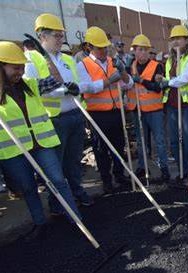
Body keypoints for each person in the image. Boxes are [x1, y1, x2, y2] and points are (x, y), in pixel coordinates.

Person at [0, 41, 81, 238]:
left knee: (58, 180)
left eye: (21, 67)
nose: (20, 72)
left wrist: (45, 56)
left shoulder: (30, 85)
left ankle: (75, 219)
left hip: (42, 144)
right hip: (14, 150)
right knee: (28, 188)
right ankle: (40, 224)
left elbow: (54, 80)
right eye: (15, 68)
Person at [25, 13, 94, 209]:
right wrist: (64, 90)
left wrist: (76, 88)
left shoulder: (67, 59)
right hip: (54, 120)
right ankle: (58, 203)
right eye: (57, 35)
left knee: (73, 161)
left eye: (62, 35)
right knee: (57, 164)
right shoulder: (32, 59)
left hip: (75, 114)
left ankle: (77, 192)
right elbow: (34, 90)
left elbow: (79, 84)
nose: (61, 39)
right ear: (42, 36)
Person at [77, 26, 134, 194]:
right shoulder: (83, 66)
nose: (103, 50)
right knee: (100, 149)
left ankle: (120, 175)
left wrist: (122, 71)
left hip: (116, 112)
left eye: (105, 47)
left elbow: (129, 83)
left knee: (119, 146)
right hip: (97, 115)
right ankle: (106, 180)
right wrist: (109, 81)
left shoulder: (113, 62)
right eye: (99, 47)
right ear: (89, 47)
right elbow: (86, 87)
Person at [128, 34, 170, 182]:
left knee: (159, 140)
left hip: (154, 110)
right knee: (141, 141)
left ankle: (164, 168)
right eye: (140, 50)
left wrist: (141, 80)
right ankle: (142, 166)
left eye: (145, 50)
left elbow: (157, 88)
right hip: (137, 109)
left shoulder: (156, 66)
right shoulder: (130, 66)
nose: (143, 53)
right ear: (134, 51)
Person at [160, 25, 188, 182]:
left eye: (179, 38)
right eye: (173, 39)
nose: (175, 42)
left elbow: (186, 78)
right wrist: (162, 81)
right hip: (172, 105)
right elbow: (168, 80)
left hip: (187, 105)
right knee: (175, 142)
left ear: (186, 40)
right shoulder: (170, 60)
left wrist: (167, 82)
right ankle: (182, 171)